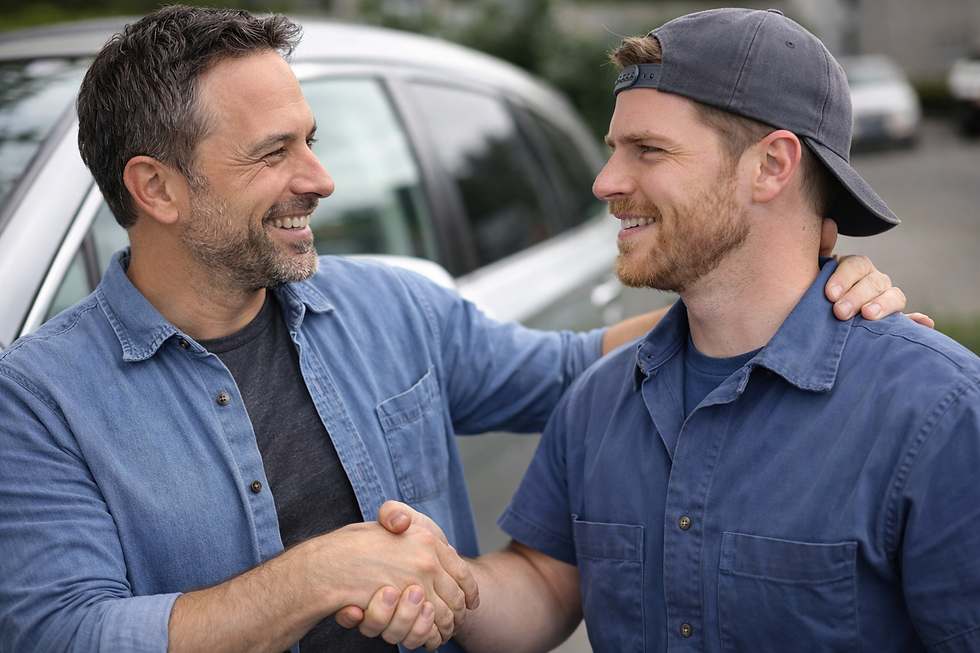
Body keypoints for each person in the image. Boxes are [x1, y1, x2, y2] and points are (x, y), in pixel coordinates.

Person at [0, 6, 912, 653]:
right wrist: (317, 578)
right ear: (154, 188)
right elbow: (58, 632)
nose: (322, 178)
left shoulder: (397, 307)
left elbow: (574, 365)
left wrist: (806, 297)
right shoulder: (39, 400)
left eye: (312, 139)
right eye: (275, 152)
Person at [350, 7, 980, 653]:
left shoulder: (938, 411)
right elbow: (544, 582)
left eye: (648, 149)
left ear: (771, 166)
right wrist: (436, 582)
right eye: (614, 150)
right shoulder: (598, 398)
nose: (605, 182)